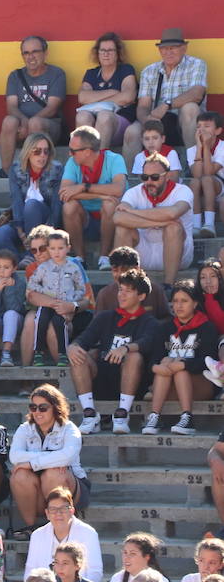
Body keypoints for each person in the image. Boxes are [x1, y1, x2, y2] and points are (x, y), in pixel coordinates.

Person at [70, 267, 154, 436]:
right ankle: (89, 415)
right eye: (120, 290)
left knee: (134, 356)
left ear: (141, 296)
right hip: (102, 378)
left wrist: (126, 348)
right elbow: (84, 339)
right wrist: (73, 346)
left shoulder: (149, 321)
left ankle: (122, 414)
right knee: (78, 354)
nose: (121, 295)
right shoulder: (105, 317)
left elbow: (148, 342)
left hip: (134, 384)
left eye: (128, 291)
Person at [123, 28, 208, 172]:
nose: (168, 52)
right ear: (160, 51)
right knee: (132, 131)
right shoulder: (149, 71)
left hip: (183, 120)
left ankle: (193, 167)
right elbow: (143, 106)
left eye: (173, 48)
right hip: (157, 119)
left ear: (184, 48)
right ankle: (130, 178)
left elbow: (197, 93)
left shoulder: (197, 64)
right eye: (164, 48)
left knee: (190, 108)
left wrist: (166, 105)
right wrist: (148, 121)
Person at [9, 384, 88, 536]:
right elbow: (15, 456)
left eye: (43, 408)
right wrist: (52, 457)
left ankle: (56, 527)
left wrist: (32, 464)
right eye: (33, 407)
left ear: (55, 407)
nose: (37, 412)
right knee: (19, 475)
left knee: (53, 473)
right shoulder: (25, 428)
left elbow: (67, 457)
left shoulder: (69, 429)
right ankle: (31, 528)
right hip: (37, 492)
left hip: (70, 489)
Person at [143, 279, 218, 435]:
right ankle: (154, 417)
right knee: (165, 363)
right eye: (175, 301)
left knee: (180, 369)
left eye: (184, 301)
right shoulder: (165, 327)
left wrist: (183, 365)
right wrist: (157, 367)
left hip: (200, 385)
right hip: (168, 384)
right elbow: (154, 359)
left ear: (195, 303)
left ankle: (187, 418)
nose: (178, 305)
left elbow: (209, 361)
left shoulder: (207, 327)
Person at [0, 36, 65, 179]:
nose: (30, 57)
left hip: (49, 127)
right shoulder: (15, 76)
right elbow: (11, 106)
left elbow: (52, 108)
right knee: (9, 121)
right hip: (22, 128)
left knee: (35, 123)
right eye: (26, 53)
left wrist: (30, 123)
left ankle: (35, 173)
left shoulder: (56, 74)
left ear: (45, 53)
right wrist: (24, 121)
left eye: (35, 52)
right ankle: (6, 172)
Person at [116, 153, 195, 285]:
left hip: (179, 254)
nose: (149, 182)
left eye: (155, 177)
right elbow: (118, 217)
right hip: (143, 250)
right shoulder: (134, 192)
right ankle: (125, 285)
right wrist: (161, 221)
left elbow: (173, 213)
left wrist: (133, 212)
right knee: (122, 228)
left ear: (168, 176)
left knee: (173, 227)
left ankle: (168, 286)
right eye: (145, 177)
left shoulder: (183, 191)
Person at [61, 124, 128, 267]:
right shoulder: (72, 162)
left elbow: (118, 189)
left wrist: (83, 187)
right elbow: (64, 192)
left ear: (87, 152)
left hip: (112, 218)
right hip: (85, 218)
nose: (70, 154)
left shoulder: (114, 159)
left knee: (110, 204)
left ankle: (105, 257)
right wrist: (102, 195)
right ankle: (80, 258)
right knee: (69, 206)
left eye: (73, 151)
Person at [0, 133, 61, 256]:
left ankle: (31, 254)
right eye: (37, 151)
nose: (42, 156)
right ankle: (17, 264)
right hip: (21, 221)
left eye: (46, 151)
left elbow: (56, 205)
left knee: (32, 205)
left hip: (47, 221)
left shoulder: (56, 170)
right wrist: (19, 231)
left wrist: (50, 230)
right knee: (0, 234)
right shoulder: (16, 170)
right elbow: (16, 200)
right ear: (28, 152)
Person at [23, 485, 104, 582]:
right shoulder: (37, 535)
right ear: (47, 514)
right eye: (53, 509)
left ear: (72, 511)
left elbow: (95, 573)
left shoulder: (88, 533)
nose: (58, 513)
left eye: (63, 508)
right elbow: (30, 573)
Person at [75, 31, 137, 149]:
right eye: (102, 50)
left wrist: (95, 99)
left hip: (119, 121)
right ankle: (83, 160)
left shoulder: (125, 70)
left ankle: (99, 161)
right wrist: (113, 92)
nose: (106, 54)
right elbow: (82, 98)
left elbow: (128, 97)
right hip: (95, 121)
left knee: (104, 116)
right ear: (97, 53)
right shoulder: (92, 73)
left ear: (118, 53)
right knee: (82, 116)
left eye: (110, 50)